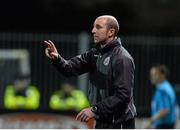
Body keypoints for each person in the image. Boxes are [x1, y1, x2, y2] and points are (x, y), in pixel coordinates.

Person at [44, 15, 136, 129]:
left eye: (98, 27)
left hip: (119, 123)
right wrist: (57, 59)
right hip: (102, 120)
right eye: (93, 27)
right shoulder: (95, 54)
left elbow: (123, 96)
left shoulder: (122, 58)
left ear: (111, 32)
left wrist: (95, 109)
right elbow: (69, 69)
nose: (93, 31)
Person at [146, 64, 177, 129]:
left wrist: (150, 121)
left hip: (164, 125)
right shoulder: (167, 86)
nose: (152, 77)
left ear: (162, 75)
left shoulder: (162, 90)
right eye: (151, 74)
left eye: (155, 74)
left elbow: (165, 110)